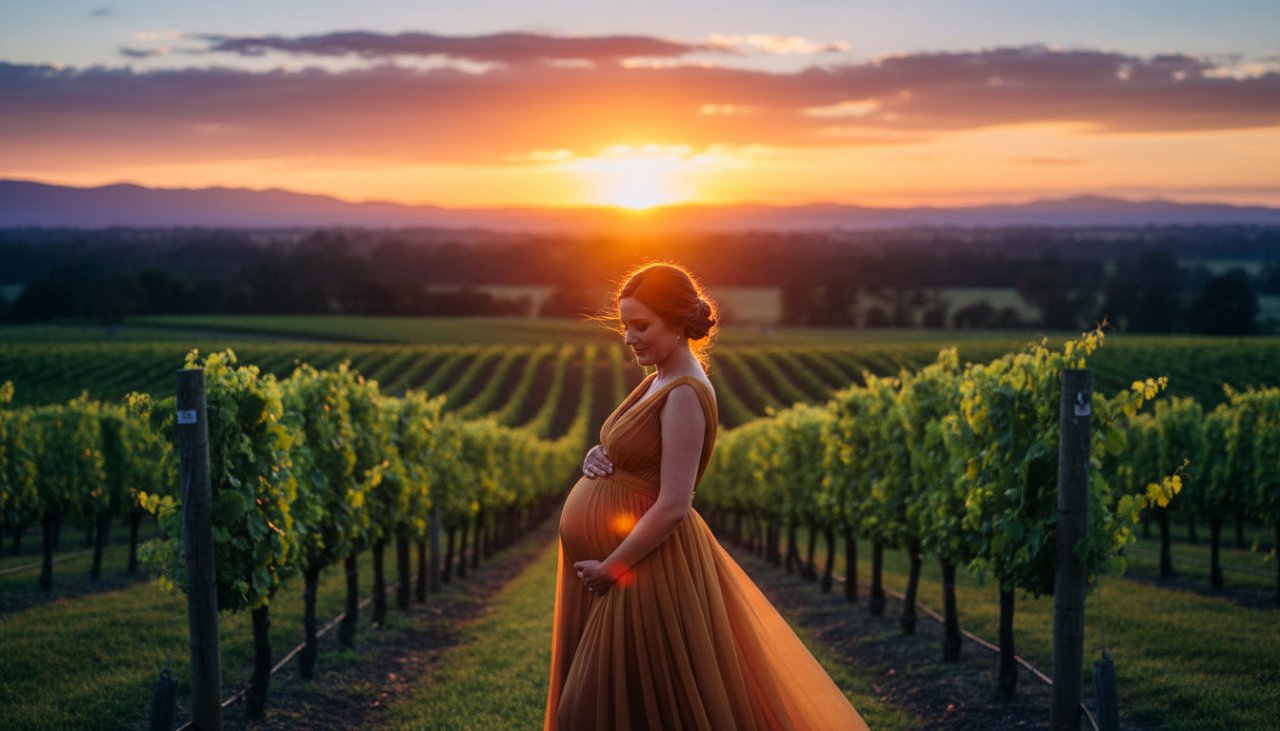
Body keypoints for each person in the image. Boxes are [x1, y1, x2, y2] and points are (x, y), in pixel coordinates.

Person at [545, 262, 869, 730]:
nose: (629, 338)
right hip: (622, 569)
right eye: (625, 326)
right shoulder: (659, 377)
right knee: (621, 707)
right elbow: (639, 453)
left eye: (641, 326)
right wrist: (599, 454)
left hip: (643, 570)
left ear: (677, 324)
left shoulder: (684, 392)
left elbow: (675, 504)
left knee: (590, 708)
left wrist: (612, 567)